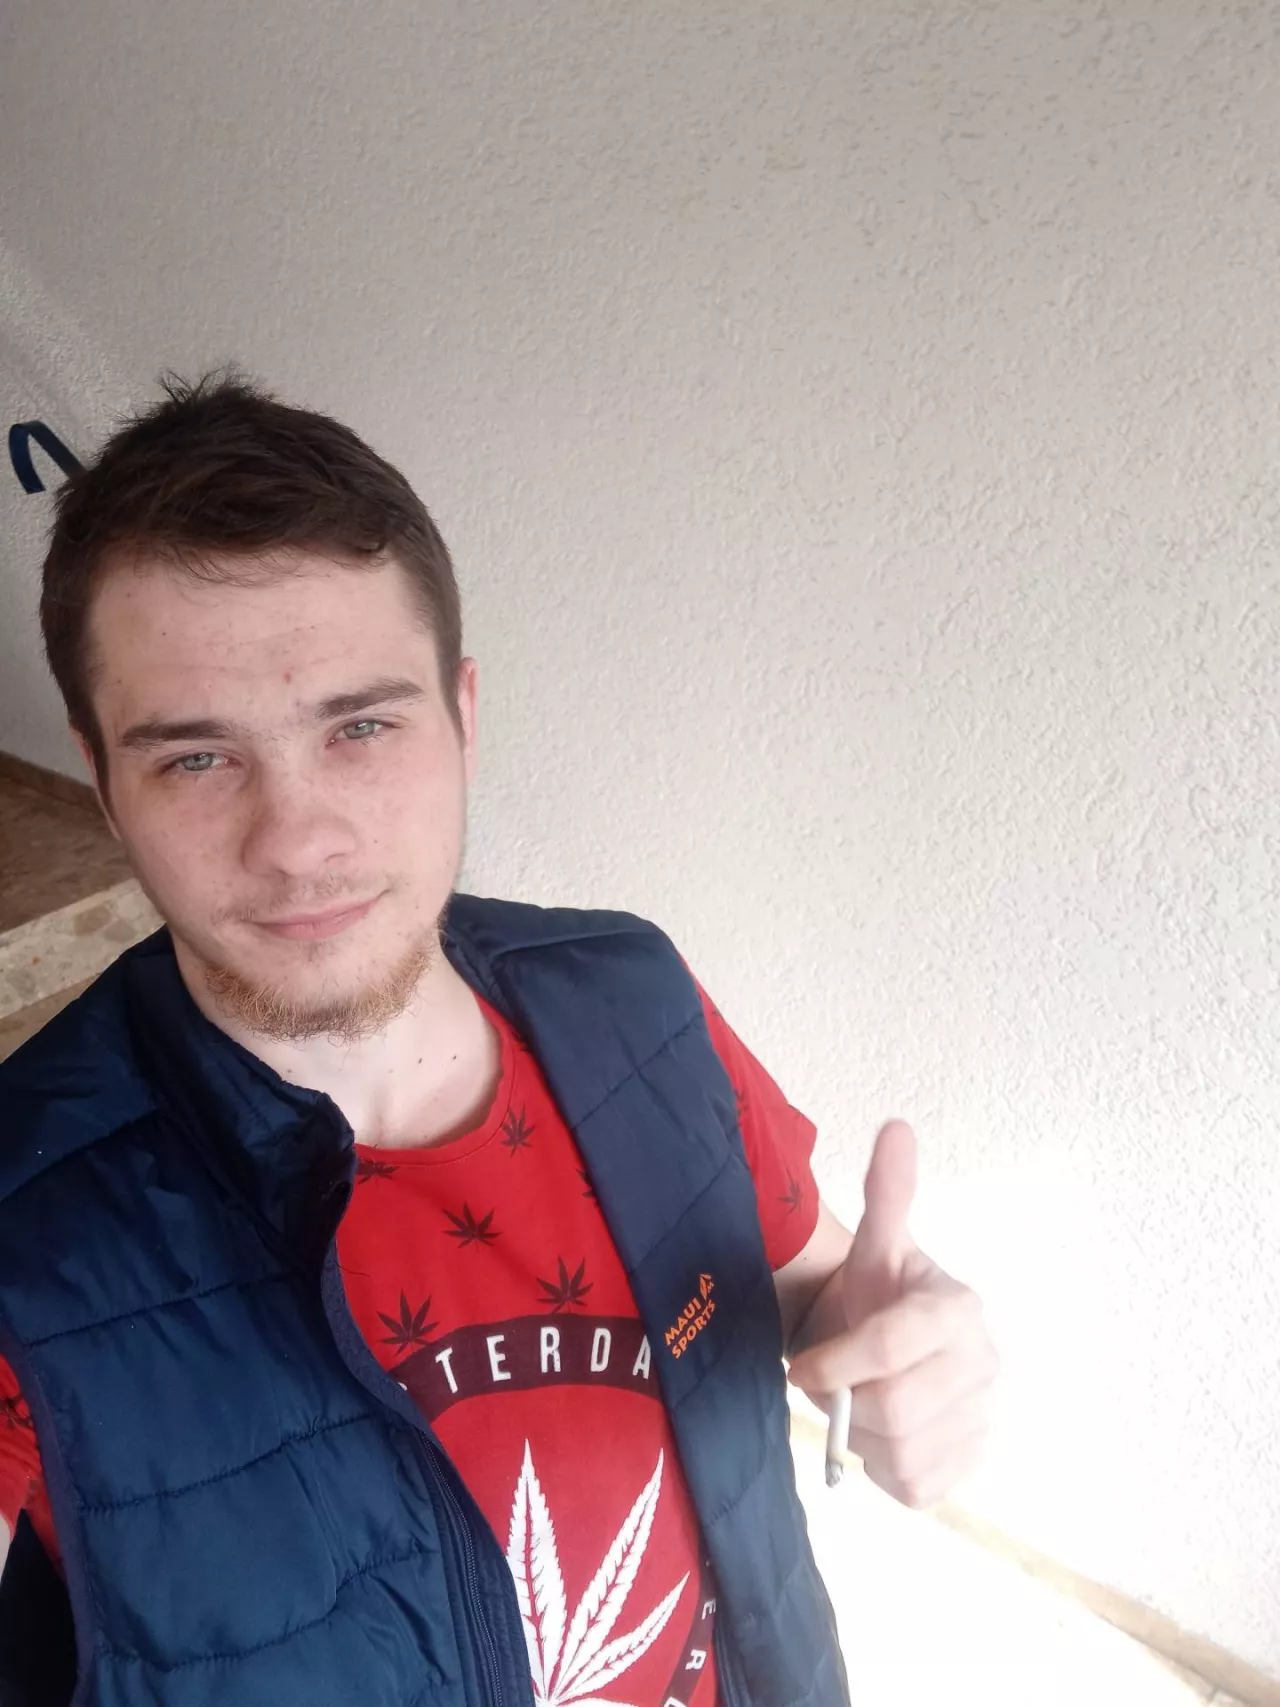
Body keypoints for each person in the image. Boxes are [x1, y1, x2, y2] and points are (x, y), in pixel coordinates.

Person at [0, 372, 998, 1707]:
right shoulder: (27, 1215)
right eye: (195, 758)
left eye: (362, 725)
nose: (298, 839)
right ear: (102, 779)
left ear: (464, 717)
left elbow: (808, 1275)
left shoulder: (631, 999)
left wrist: (904, 1346)